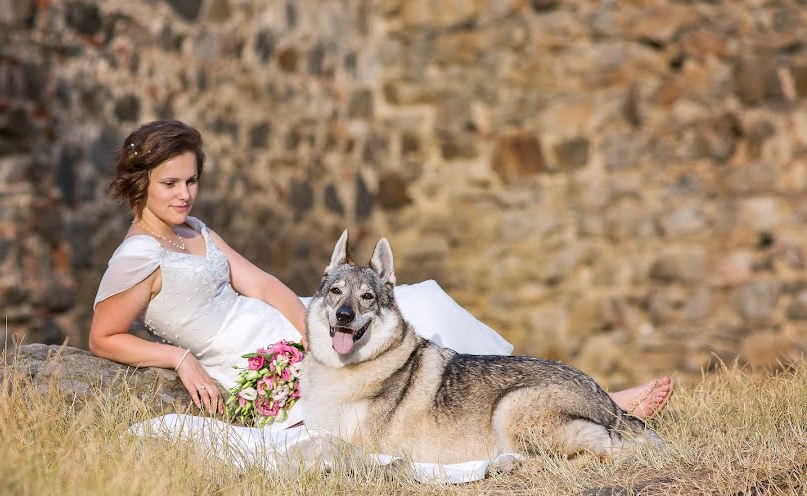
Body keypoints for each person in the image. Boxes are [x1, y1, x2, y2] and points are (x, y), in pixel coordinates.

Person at [89, 120, 672, 423]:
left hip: (293, 329)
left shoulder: (197, 231)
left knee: (422, 304)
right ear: (140, 184)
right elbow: (103, 336)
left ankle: (571, 393)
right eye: (171, 184)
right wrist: (179, 358)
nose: (185, 194)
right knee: (400, 375)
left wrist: (312, 331)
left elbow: (262, 284)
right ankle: (595, 406)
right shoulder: (138, 259)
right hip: (250, 361)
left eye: (191, 180)